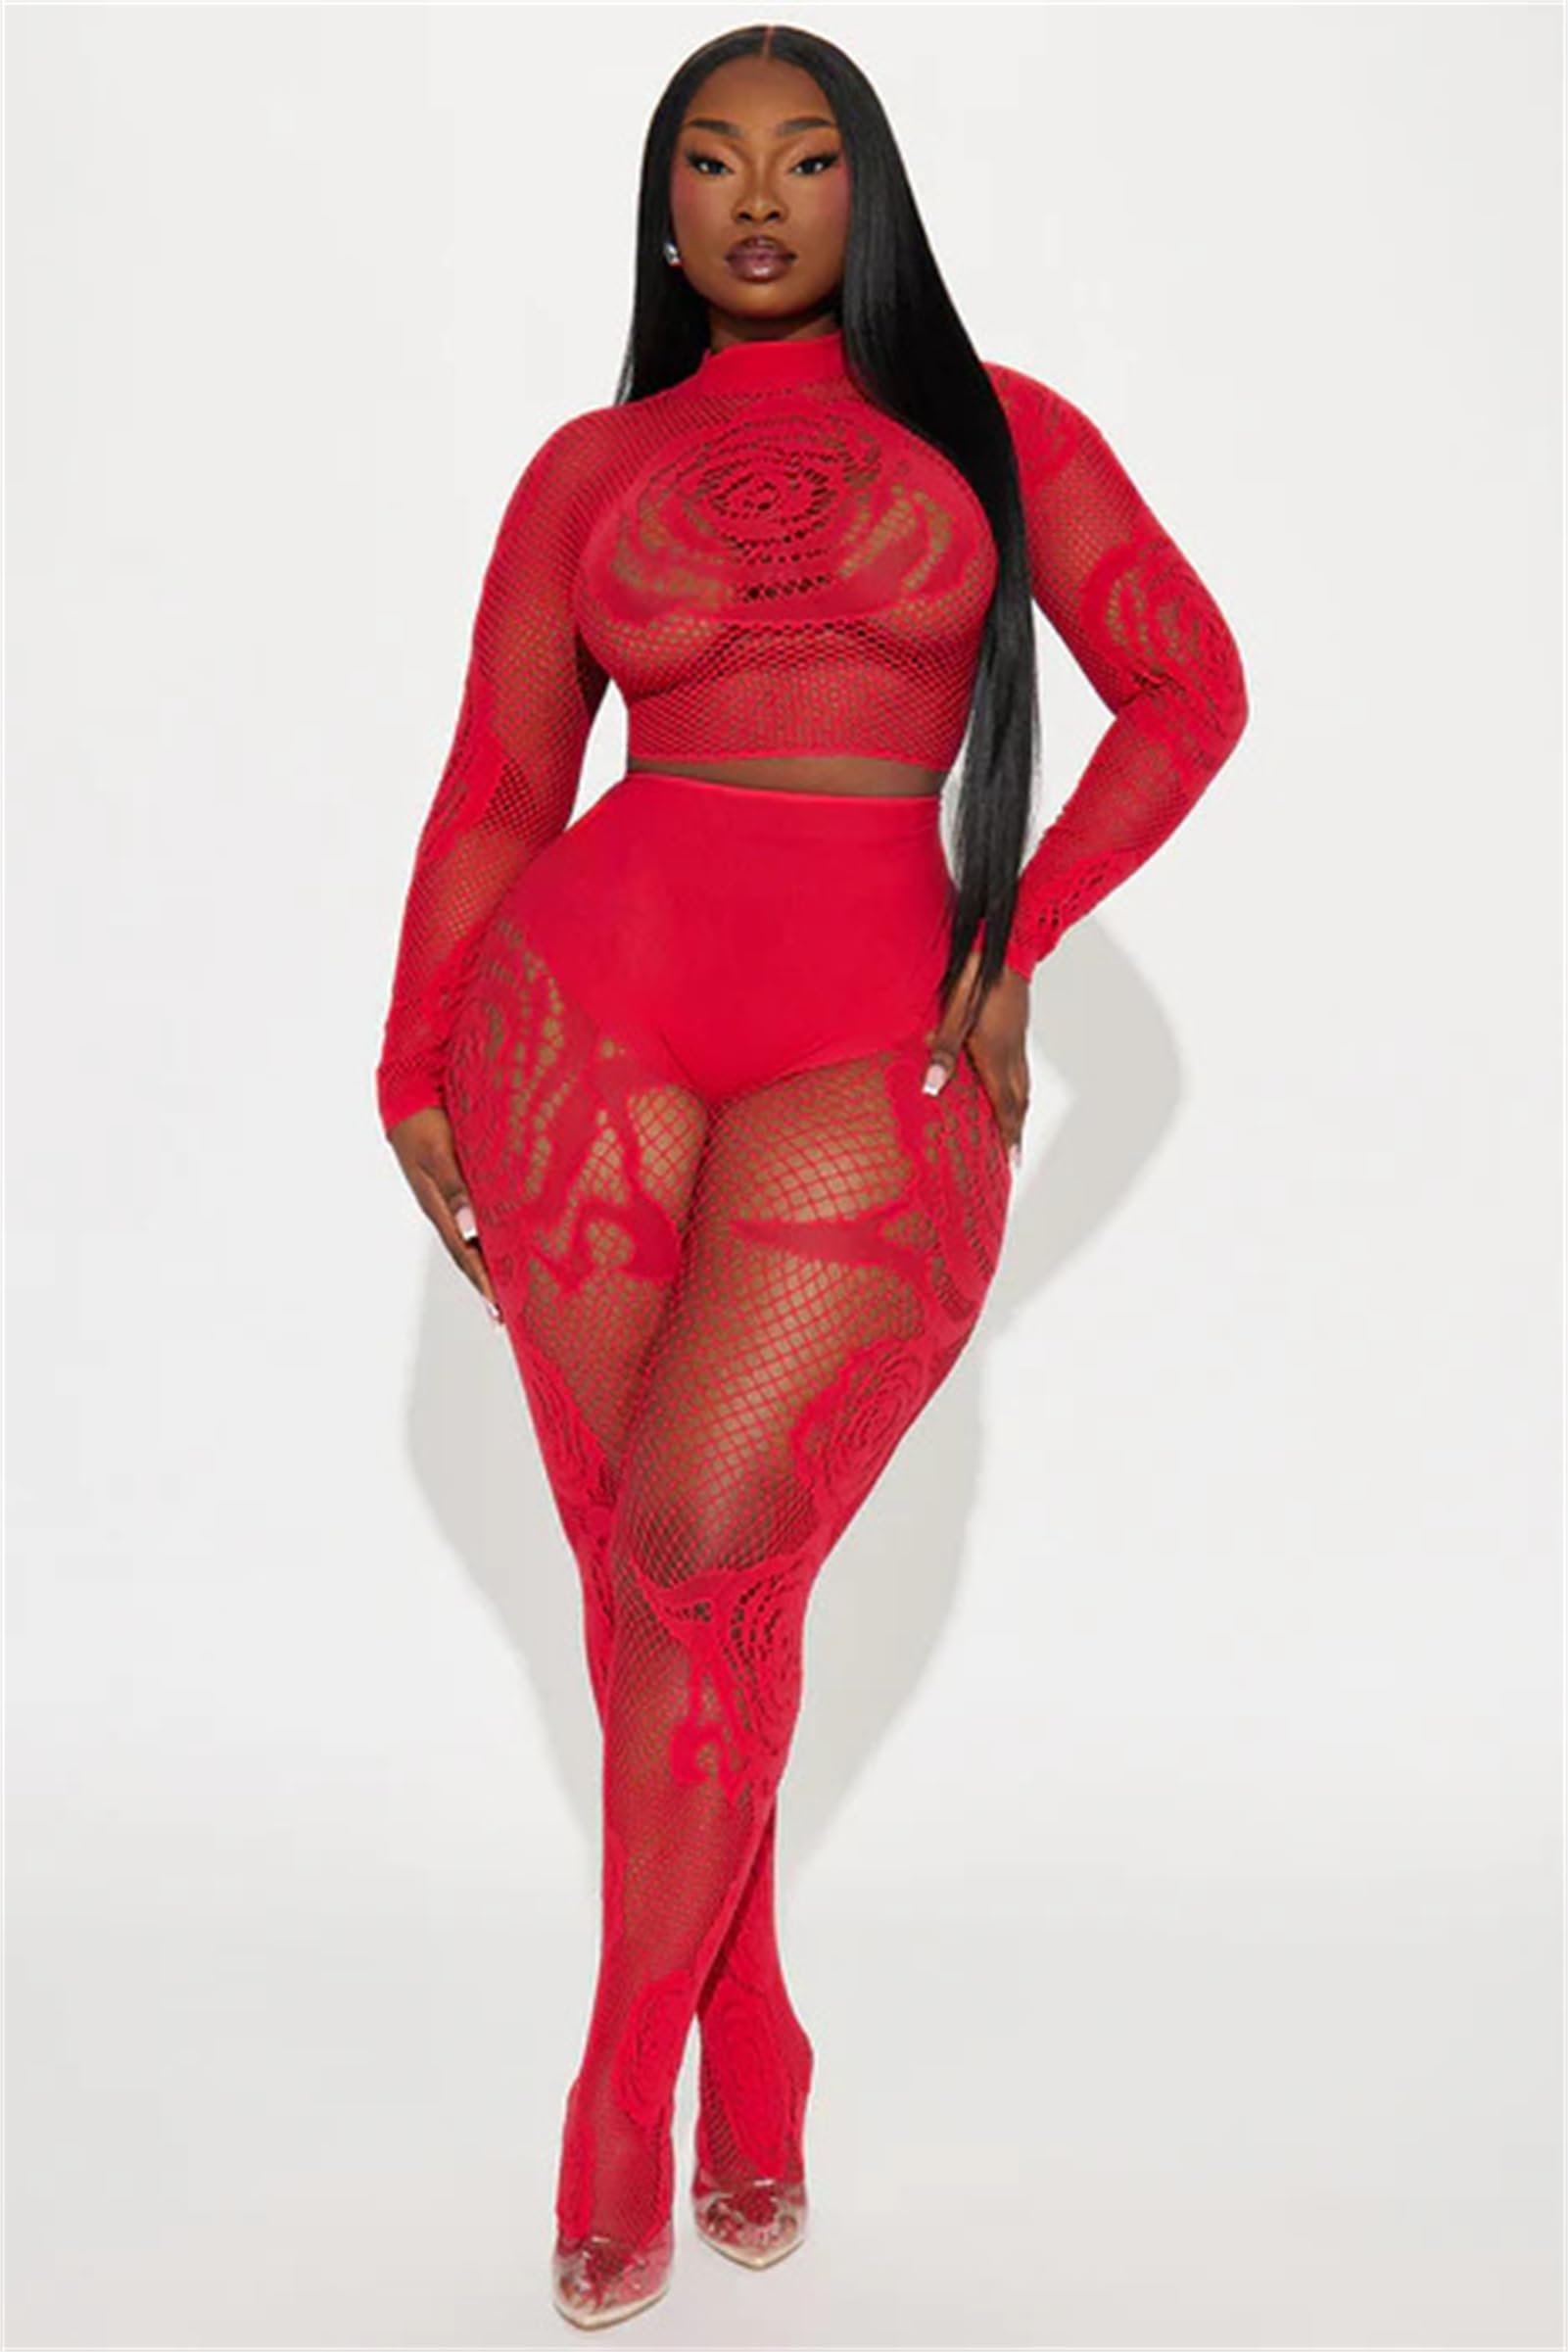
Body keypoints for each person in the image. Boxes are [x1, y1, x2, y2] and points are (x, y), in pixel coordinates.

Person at [374, 21, 1249, 2332]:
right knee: (660, 1589)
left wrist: (1016, 933)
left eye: (807, 156)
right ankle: (746, 2034)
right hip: (579, 1020)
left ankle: (621, 2071)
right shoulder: (588, 470)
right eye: (712, 159)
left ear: (872, 192)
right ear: (664, 212)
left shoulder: (998, 430)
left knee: (698, 1549)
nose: (759, 196)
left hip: (875, 1039)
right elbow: (501, 783)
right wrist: (407, 1054)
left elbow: (1191, 688)